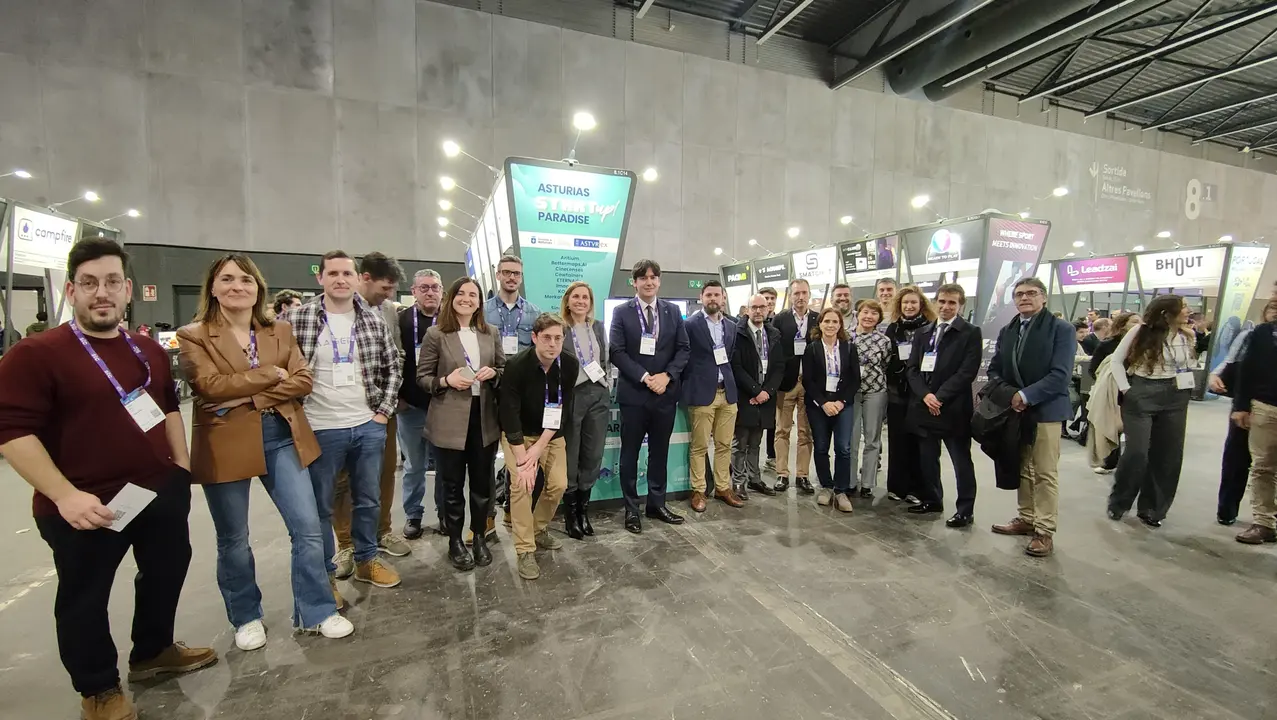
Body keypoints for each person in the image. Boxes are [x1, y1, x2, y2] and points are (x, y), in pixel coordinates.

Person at [0, 238, 216, 720]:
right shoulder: (36, 354)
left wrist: (179, 467)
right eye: (91, 283)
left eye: (113, 282)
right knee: (85, 598)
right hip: (84, 504)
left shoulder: (147, 351)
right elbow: (12, 432)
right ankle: (97, 687)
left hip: (156, 490)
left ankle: (153, 652)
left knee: (165, 573)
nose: (103, 293)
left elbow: (165, 409)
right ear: (72, 290)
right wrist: (63, 495)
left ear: (128, 290)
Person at [177, 253, 352, 647]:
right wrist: (268, 377)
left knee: (308, 528)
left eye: (246, 279)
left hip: (282, 435)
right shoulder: (194, 335)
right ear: (213, 288)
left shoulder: (280, 331)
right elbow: (209, 386)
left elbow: (303, 380)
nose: (237, 286)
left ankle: (316, 609)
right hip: (225, 441)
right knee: (234, 538)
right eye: (227, 279)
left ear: (258, 288)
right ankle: (246, 616)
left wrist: (248, 394)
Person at [289, 250, 403, 592]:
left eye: (347, 274)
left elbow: (392, 365)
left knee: (368, 498)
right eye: (333, 273)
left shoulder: (371, 319)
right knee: (321, 506)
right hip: (320, 426)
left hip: (367, 424)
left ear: (357, 279)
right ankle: (327, 574)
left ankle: (368, 559)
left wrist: (383, 411)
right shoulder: (299, 319)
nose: (341, 279)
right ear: (320, 277)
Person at [329, 253, 410, 577]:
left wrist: (387, 403)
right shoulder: (332, 312)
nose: (388, 294)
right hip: (338, 412)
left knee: (385, 471)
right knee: (343, 481)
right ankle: (346, 544)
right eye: (385, 287)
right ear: (364, 278)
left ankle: (382, 531)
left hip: (381, 409)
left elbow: (398, 356)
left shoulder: (389, 312)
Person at [418, 277, 504, 570]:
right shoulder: (436, 334)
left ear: (480, 302)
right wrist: (445, 380)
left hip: (484, 419)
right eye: (462, 294)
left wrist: (494, 374)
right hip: (449, 421)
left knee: (482, 485)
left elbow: (503, 368)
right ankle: (454, 540)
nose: (467, 299)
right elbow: (422, 378)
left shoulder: (490, 332)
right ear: (451, 298)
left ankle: (478, 536)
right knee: (452, 486)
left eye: (473, 295)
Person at [987, 278, 1076, 557]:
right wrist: (1011, 395)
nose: (1024, 298)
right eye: (1019, 294)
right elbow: (994, 369)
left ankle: (1044, 530)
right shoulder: (1008, 330)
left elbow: (1060, 375)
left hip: (1046, 410)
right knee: (1022, 466)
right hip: (1015, 411)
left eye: (1031, 293)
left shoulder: (1061, 330)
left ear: (1044, 297)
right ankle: (1026, 518)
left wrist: (1025, 396)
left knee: (1045, 472)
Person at [609, 259, 690, 533]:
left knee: (660, 453)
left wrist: (666, 377)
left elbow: (683, 349)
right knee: (629, 454)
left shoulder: (672, 311)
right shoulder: (622, 312)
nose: (649, 282)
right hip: (634, 395)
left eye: (654, 277)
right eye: (643, 277)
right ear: (634, 282)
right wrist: (645, 377)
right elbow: (616, 352)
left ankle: (657, 504)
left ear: (659, 281)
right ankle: (632, 509)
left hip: (664, 394)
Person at [1106, 295, 1195, 528]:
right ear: (1166, 313)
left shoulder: (1187, 335)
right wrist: (1127, 389)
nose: (1188, 310)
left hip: (1176, 395)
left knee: (1168, 455)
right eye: (1183, 307)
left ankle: (1152, 509)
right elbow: (1115, 361)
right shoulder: (1140, 331)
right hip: (1142, 393)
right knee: (1137, 452)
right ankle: (1119, 501)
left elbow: (1186, 365)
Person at [499, 313, 577, 578]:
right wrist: (524, 458)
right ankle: (524, 550)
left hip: (551, 435)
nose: (552, 344)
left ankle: (537, 527)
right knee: (523, 485)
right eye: (546, 338)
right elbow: (508, 413)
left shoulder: (569, 364)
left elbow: (562, 410)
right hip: (518, 435)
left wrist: (540, 446)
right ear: (534, 338)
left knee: (558, 485)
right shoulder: (516, 366)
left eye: (558, 338)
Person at [905, 283, 981, 527]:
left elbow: (967, 371)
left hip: (953, 409)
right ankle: (932, 499)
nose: (946, 306)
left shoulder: (970, 333)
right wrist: (926, 396)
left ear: (960, 306)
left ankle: (965, 509)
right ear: (935, 302)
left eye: (952, 303)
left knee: (961, 461)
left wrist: (940, 397)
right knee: (928, 458)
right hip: (924, 407)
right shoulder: (923, 332)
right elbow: (913, 370)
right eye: (942, 301)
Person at [484, 255, 541, 542]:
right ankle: (485, 518)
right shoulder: (482, 312)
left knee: (516, 453)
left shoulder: (533, 313)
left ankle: (509, 507)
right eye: (506, 272)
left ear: (521, 277)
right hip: (486, 392)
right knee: (484, 456)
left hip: (519, 397)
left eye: (516, 273)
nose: (511, 278)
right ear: (497, 275)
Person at [1210, 298, 1277, 526]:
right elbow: (1235, 363)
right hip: (1252, 403)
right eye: (1272, 307)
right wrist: (1240, 405)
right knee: (1239, 459)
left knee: (1264, 466)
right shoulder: (1257, 334)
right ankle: (1228, 509)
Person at [683, 281, 742, 512]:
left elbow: (730, 356)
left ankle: (723, 487)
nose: (713, 299)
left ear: (723, 298)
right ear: (701, 297)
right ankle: (698, 490)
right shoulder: (689, 325)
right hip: (701, 393)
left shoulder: (732, 326)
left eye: (717, 295)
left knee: (724, 444)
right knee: (699, 446)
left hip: (727, 393)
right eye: (708, 295)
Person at [560, 281, 609, 539]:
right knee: (571, 455)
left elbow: (605, 360)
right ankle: (570, 516)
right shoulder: (560, 328)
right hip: (572, 396)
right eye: (576, 297)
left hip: (598, 394)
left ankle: (583, 511)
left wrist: (607, 385)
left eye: (586, 298)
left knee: (592, 455)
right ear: (568, 301)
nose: (581, 301)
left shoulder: (598, 327)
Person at [398, 269, 443, 539]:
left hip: (442, 407)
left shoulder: (449, 321)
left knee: (443, 466)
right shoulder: (401, 321)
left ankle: (443, 513)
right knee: (414, 466)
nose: (430, 292)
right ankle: (413, 515)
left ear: (442, 291)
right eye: (424, 287)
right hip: (411, 407)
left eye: (435, 287)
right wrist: (397, 398)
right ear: (413, 291)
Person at [802, 307, 860, 512]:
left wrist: (841, 402)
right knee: (821, 447)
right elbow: (808, 380)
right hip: (819, 405)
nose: (830, 325)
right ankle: (826, 487)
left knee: (843, 448)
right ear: (820, 324)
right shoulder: (812, 349)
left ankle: (841, 490)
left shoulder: (849, 348)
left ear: (840, 325)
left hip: (843, 404)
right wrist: (823, 403)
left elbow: (855, 380)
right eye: (827, 321)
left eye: (835, 322)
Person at [1228, 305, 1277, 545]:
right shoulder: (1263, 332)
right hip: (1265, 407)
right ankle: (1264, 523)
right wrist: (1240, 406)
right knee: (1262, 467)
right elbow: (1247, 370)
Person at [883, 286, 934, 504]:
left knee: (918, 443)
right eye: (905, 303)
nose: (909, 306)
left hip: (921, 394)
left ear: (921, 305)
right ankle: (896, 487)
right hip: (897, 393)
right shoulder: (893, 330)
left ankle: (917, 489)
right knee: (897, 440)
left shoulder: (930, 329)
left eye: (913, 302)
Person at [731, 294, 782, 498]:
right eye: (755, 307)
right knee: (740, 442)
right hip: (746, 395)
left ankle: (755, 478)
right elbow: (736, 366)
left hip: (765, 398)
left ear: (769, 309)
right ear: (747, 310)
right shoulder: (738, 333)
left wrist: (767, 392)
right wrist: (755, 391)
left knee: (756, 442)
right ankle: (738, 482)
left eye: (763, 307)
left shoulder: (774, 334)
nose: (759, 311)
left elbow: (779, 367)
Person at [772, 279, 819, 494]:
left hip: (809, 383)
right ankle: (782, 473)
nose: (800, 297)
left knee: (805, 432)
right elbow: (774, 352)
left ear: (809, 295)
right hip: (786, 384)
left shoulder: (818, 319)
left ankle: (803, 475)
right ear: (790, 296)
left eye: (804, 293)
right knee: (782, 430)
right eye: (796, 293)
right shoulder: (780, 319)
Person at [849, 300, 893, 498]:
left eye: (874, 314)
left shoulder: (884, 341)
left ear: (879, 318)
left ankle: (867, 483)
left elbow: (885, 364)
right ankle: (848, 481)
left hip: (875, 391)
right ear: (858, 314)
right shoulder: (846, 336)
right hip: (851, 393)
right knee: (851, 438)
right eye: (865, 312)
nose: (868, 316)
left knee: (872, 439)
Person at [1088, 312, 1139, 474]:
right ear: (1123, 325)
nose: (1139, 325)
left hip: (1137, 390)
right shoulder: (1108, 344)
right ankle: (1109, 461)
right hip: (1112, 391)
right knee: (1113, 427)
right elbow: (1094, 368)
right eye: (1134, 322)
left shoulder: (1143, 344)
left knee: (1135, 429)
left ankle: (1134, 464)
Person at [759, 286, 779, 471]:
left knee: (774, 422)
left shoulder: (779, 322)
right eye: (766, 298)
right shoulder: (751, 322)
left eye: (772, 298)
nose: (769, 301)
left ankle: (772, 454)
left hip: (774, 381)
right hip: (755, 384)